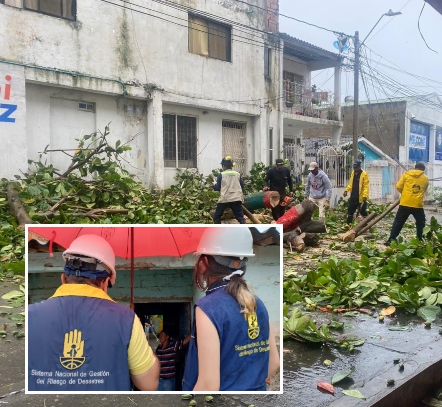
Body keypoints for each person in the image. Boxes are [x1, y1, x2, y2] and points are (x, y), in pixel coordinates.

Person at [27, 235, 159, 391]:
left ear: (63, 278)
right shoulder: (126, 320)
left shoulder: (29, 316)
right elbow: (149, 384)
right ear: (104, 283)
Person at [182, 227, 280, 391]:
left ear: (204, 264)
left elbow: (208, 386)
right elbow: (274, 363)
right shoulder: (257, 302)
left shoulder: (208, 309)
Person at [385, 162, 429, 245]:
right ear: (423, 169)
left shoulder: (406, 174)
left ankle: (390, 240)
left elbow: (398, 186)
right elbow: (424, 189)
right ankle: (420, 240)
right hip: (417, 205)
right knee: (420, 223)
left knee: (398, 222)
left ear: (415, 168)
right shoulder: (425, 178)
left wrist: (405, 193)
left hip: (405, 203)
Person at [213, 156, 245, 224]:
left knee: (217, 216)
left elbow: (217, 188)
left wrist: (214, 185)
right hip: (236, 198)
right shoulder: (237, 174)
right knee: (240, 217)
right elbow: (242, 186)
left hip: (225, 198)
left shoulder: (221, 175)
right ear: (231, 165)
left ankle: (218, 230)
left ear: (223, 166)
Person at [343, 160, 369, 225]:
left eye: (356, 167)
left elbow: (366, 186)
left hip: (361, 197)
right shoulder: (352, 173)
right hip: (353, 195)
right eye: (354, 167)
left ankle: (366, 225)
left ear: (359, 167)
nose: (355, 169)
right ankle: (348, 225)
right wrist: (346, 190)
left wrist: (365, 196)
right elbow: (350, 184)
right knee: (350, 210)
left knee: (363, 211)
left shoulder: (364, 174)